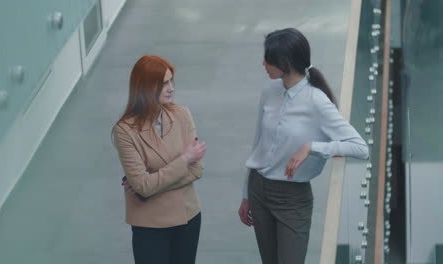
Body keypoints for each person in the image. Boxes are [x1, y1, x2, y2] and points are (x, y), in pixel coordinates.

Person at [237, 28, 369, 264]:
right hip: (259, 190)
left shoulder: (317, 100)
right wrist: (246, 194)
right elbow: (258, 144)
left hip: (292, 199)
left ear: (285, 63)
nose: (263, 63)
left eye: (268, 58)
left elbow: (360, 147)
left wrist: (312, 146)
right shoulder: (269, 91)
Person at [113, 55, 206, 264]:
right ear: (144, 87)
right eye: (163, 83)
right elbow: (144, 185)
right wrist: (184, 159)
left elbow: (197, 170)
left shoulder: (182, 115)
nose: (171, 88)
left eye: (171, 81)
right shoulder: (125, 131)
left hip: (187, 216)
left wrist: (146, 189)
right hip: (149, 226)